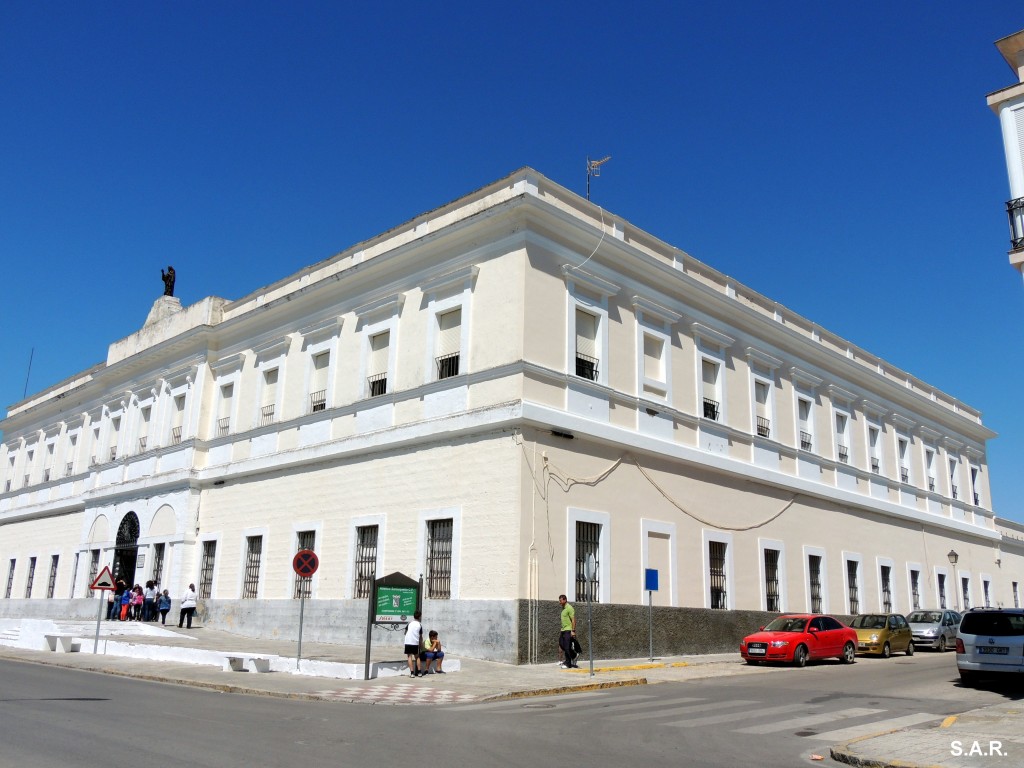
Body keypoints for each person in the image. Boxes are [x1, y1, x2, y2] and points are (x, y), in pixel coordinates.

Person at [558, 594, 578, 668]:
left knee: (567, 647)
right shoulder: (563, 608)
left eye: (561, 600)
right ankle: (574, 655)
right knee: (561, 644)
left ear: (565, 600)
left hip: (568, 630)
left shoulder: (569, 608)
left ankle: (568, 663)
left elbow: (573, 620)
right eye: (559, 601)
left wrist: (573, 630)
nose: (560, 602)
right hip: (563, 630)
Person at [404, 611, 424, 677]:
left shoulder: (410, 623)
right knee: (417, 657)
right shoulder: (419, 625)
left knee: (409, 656)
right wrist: (421, 644)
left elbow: (405, 632)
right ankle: (419, 672)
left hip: (408, 642)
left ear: (414, 616)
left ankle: (412, 673)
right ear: (420, 617)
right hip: (415, 642)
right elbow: (420, 636)